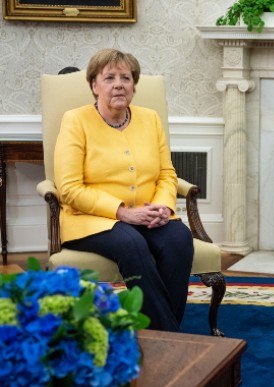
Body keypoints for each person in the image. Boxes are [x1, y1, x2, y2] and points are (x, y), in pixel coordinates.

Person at [54, 48, 193, 332]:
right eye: (109, 78)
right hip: (91, 219)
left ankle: (154, 333)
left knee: (179, 238)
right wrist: (122, 212)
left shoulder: (150, 119)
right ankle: (170, 337)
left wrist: (163, 207)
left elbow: (167, 174)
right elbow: (68, 189)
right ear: (94, 85)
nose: (119, 84)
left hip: (146, 212)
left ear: (133, 85)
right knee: (131, 244)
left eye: (126, 78)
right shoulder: (75, 121)